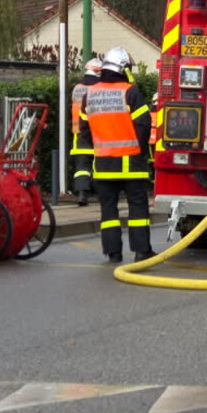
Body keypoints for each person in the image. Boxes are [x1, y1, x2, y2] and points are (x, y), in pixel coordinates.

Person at [78, 46, 155, 263]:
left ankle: (113, 253)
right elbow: (143, 124)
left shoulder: (89, 94)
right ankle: (141, 251)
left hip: (103, 165)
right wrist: (139, 151)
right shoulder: (130, 91)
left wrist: (99, 147)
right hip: (131, 164)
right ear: (123, 69)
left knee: (108, 211)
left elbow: (84, 130)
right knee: (137, 208)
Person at [69, 58, 103, 207]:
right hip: (98, 132)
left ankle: (82, 194)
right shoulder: (100, 88)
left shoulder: (77, 88)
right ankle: (101, 193)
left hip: (79, 133)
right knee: (99, 164)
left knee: (82, 166)